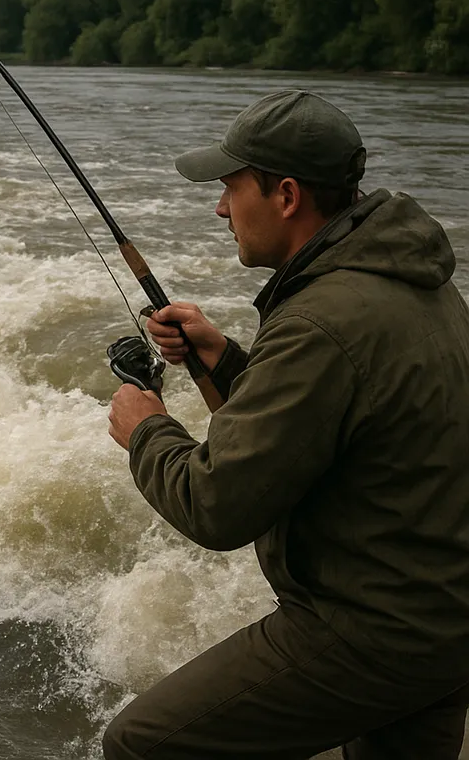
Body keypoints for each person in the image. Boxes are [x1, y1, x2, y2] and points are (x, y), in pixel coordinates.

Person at [103, 90, 469, 760]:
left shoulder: (320, 323)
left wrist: (146, 427)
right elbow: (332, 425)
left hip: (369, 634)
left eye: (231, 188)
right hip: (444, 628)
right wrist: (221, 356)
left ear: (288, 196)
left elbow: (217, 506)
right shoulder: (419, 283)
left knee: (141, 744)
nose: (220, 208)